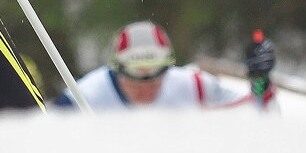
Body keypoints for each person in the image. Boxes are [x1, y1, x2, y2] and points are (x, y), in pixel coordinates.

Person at [55, 21, 277, 110]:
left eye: (154, 80)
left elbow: (256, 110)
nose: (145, 89)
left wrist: (261, 80)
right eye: (134, 80)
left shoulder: (194, 85)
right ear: (117, 71)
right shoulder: (83, 97)